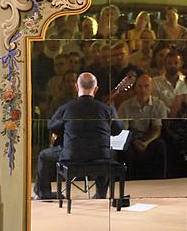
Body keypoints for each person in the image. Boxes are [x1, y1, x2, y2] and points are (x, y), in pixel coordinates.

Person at [33, 72, 123, 200]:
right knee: (104, 151)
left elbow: (51, 126)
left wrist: (65, 124)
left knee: (43, 155)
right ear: (96, 89)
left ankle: (44, 193)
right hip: (99, 156)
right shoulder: (106, 109)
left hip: (72, 156)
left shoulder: (66, 108)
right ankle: (101, 193)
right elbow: (118, 130)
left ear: (76, 86)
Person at [118, 73, 167, 179]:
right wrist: (135, 141)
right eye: (139, 86)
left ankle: (159, 181)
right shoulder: (125, 106)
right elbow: (124, 130)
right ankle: (129, 181)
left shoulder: (159, 105)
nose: (143, 90)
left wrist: (145, 142)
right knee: (126, 150)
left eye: (146, 86)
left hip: (149, 139)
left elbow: (157, 129)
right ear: (135, 88)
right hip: (131, 138)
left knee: (160, 145)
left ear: (152, 88)